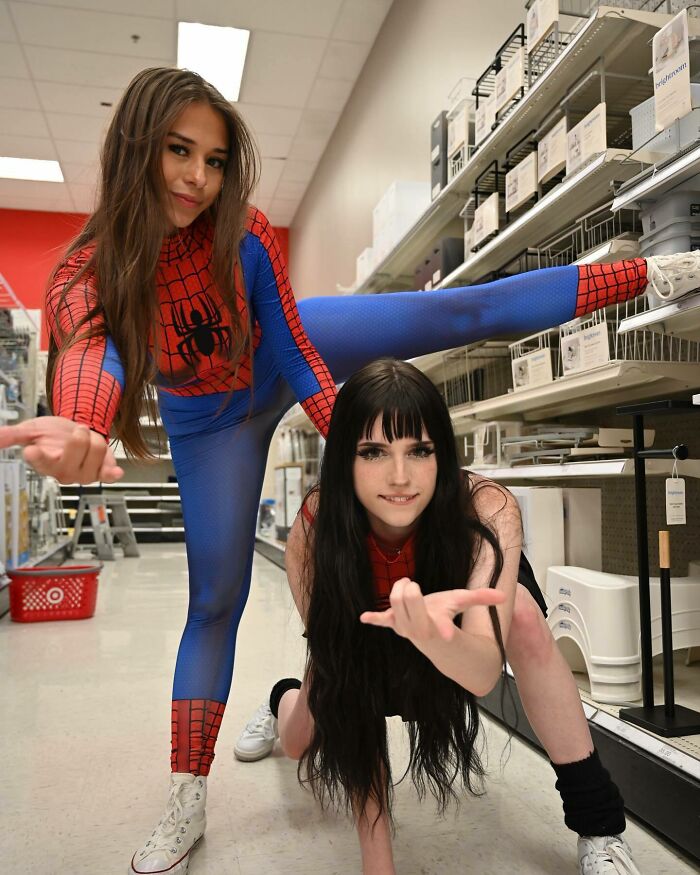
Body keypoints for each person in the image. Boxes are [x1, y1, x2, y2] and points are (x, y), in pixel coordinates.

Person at [0, 65, 689, 874]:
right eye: (178, 151)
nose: (197, 177)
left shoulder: (245, 234)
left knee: (453, 310)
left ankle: (652, 272)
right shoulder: (89, 268)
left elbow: (295, 357)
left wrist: (370, 459)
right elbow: (91, 352)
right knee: (214, 598)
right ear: (136, 148)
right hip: (205, 419)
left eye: (215, 159)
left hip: (277, 356)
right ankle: (187, 798)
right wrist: (84, 422)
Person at [235, 360, 642, 875]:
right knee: (297, 743)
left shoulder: (487, 508)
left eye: (419, 451)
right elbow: (353, 686)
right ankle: (280, 699)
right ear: (344, 459)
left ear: (442, 454)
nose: (400, 477)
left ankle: (600, 828)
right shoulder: (317, 528)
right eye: (373, 452)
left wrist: (429, 633)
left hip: (454, 618)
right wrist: (377, 865)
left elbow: (480, 675)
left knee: (519, 612)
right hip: (357, 635)